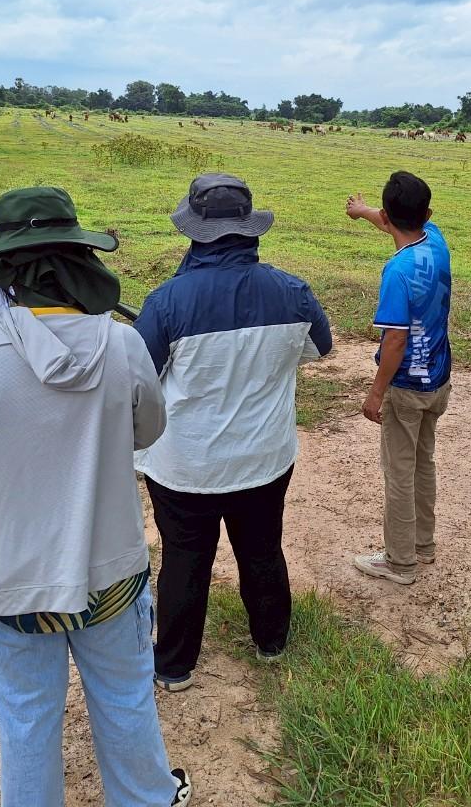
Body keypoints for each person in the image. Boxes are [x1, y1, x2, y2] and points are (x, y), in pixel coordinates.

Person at [0, 186, 191, 807]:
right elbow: (147, 432)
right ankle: (148, 797)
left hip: (4, 576)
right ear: (80, 260)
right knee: (125, 700)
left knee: (25, 721)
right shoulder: (124, 346)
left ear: (3, 272)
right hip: (108, 571)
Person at [134, 174, 332, 691]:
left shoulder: (166, 302)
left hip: (185, 464)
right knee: (263, 549)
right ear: (250, 229)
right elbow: (319, 348)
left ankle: (175, 666)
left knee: (184, 559)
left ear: (194, 232)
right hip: (265, 458)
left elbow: (140, 380)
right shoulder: (293, 291)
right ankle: (272, 642)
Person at [346, 172, 452, 585]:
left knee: (398, 471)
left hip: (406, 387)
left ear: (388, 216)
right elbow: (396, 220)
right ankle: (423, 545)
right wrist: (363, 212)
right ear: (427, 214)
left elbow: (394, 343)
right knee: (423, 462)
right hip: (439, 380)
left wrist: (375, 393)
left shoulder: (396, 272)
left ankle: (400, 562)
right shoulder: (436, 242)